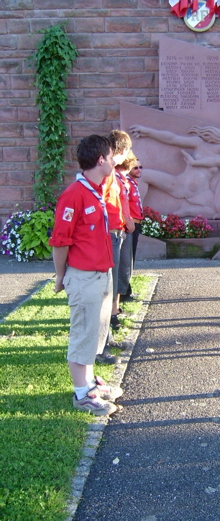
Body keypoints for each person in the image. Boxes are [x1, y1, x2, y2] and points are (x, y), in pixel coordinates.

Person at [49, 134, 122, 416]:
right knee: (83, 334)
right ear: (101, 160)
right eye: (112, 157)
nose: (115, 162)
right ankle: (82, 394)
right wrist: (60, 276)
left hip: (101, 274)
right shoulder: (74, 195)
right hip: (84, 276)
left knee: (95, 332)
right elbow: (60, 241)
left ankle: (90, 382)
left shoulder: (96, 190)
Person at [129, 124, 220, 218]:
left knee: (216, 212)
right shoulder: (200, 144)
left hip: (200, 193)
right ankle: (136, 213)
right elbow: (172, 139)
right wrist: (147, 132)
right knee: (143, 175)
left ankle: (187, 211)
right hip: (178, 184)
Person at [96, 130, 133, 364]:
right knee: (105, 290)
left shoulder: (111, 174)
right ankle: (100, 345)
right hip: (108, 234)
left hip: (115, 232)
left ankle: (106, 337)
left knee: (110, 288)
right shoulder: (107, 173)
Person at [120, 156, 143, 302]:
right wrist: (129, 222)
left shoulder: (133, 183)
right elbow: (124, 206)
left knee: (130, 258)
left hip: (136, 223)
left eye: (140, 167)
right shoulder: (126, 183)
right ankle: (123, 292)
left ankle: (126, 290)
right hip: (130, 225)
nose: (139, 170)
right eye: (135, 167)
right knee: (126, 259)